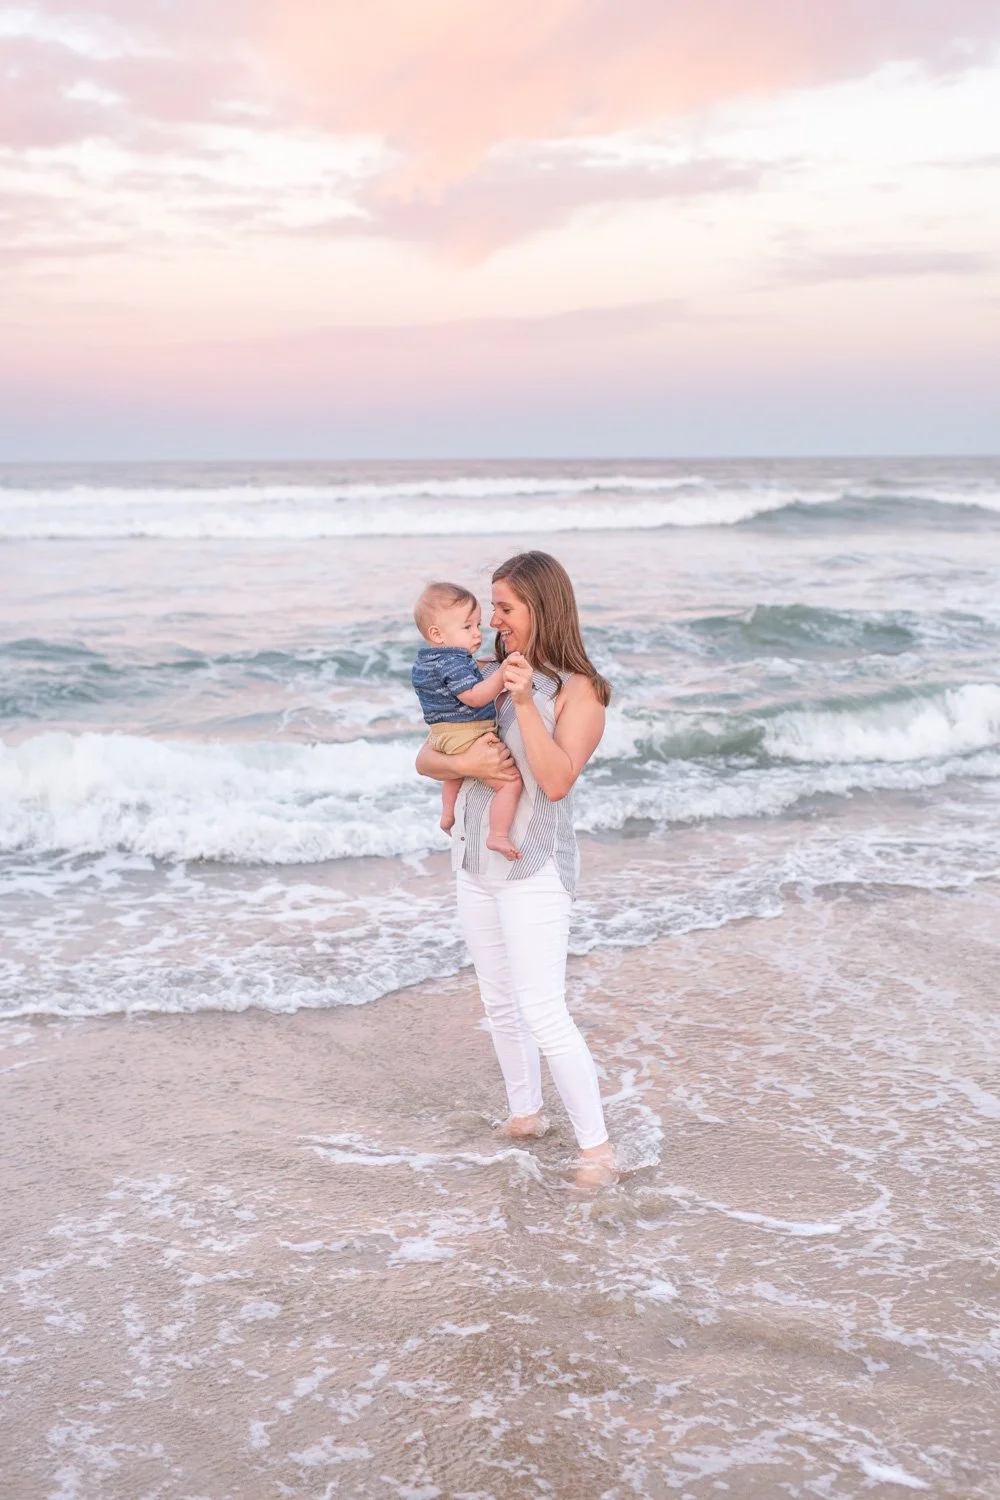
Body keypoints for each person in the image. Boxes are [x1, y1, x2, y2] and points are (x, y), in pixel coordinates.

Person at [415, 551, 614, 1187]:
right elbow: (428, 757)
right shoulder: (481, 671)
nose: (495, 621)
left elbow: (555, 782)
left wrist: (524, 701)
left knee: (543, 1009)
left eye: (505, 608)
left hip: (534, 868)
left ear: (542, 609)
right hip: (476, 857)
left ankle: (597, 1153)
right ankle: (525, 1113)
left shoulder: (581, 691)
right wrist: (470, 766)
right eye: (492, 609)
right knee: (499, 1002)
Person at [411, 581, 524, 860]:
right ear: (437, 634)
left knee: (455, 774)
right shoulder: (453, 660)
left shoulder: (426, 661)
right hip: (467, 732)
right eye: (467, 627)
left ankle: (448, 815)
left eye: (477, 625)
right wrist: (502, 674)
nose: (477, 634)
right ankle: (497, 835)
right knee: (510, 783)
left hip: (442, 734)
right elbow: (474, 697)